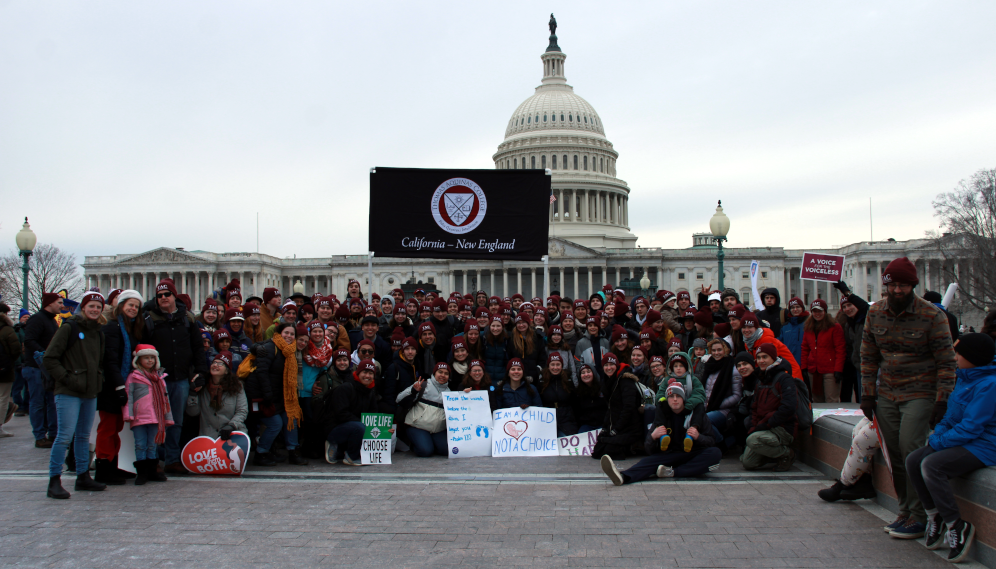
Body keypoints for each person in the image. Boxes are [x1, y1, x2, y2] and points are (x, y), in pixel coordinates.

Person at [860, 257, 956, 539]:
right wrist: (867, 394)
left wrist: (942, 399)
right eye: (893, 285)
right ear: (886, 286)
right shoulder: (875, 312)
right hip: (888, 392)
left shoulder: (932, 315)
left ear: (912, 286)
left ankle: (919, 516)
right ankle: (905, 510)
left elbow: (946, 361)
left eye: (903, 285)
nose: (898, 291)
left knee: (911, 447)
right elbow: (868, 356)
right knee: (893, 452)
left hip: (921, 391)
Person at [905, 333, 995, 561]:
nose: (954, 358)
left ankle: (956, 525)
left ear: (972, 357)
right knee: (914, 460)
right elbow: (951, 417)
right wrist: (938, 434)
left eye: (958, 353)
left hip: (985, 445)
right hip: (964, 439)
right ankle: (934, 516)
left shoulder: (989, 385)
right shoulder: (965, 378)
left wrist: (939, 442)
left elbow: (972, 427)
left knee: (932, 464)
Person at [43, 290, 108, 499]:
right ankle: (54, 480)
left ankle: (83, 476)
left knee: (83, 436)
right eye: (91, 306)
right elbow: (50, 358)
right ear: (83, 307)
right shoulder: (69, 327)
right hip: (69, 391)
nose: (95, 310)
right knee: (64, 436)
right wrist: (67, 378)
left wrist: (98, 380)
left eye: (98, 307)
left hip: (89, 390)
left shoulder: (98, 332)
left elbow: (99, 361)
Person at [600, 380, 721, 485]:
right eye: (671, 396)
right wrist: (653, 437)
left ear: (683, 398)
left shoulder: (696, 415)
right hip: (669, 455)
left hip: (692, 453)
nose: (674, 399)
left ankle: (672, 472)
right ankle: (623, 477)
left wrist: (698, 437)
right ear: (667, 399)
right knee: (647, 462)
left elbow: (711, 441)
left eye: (678, 396)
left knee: (714, 453)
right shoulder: (662, 416)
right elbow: (648, 450)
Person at [93, 289, 144, 485]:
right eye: (130, 305)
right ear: (120, 305)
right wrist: (118, 386)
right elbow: (110, 360)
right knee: (107, 427)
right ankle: (103, 468)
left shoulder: (128, 327)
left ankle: (112, 466)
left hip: (121, 382)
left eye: (136, 306)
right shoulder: (113, 327)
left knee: (116, 426)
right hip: (111, 385)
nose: (133, 309)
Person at [252, 322, 308, 466]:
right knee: (275, 424)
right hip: (267, 396)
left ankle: (293, 451)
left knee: (291, 420)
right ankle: (261, 452)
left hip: (283, 397)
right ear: (279, 333)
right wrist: (267, 395)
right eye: (286, 333)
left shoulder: (290, 351)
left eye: (292, 334)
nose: (289, 336)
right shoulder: (270, 347)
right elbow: (261, 373)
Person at [741, 343, 797, 472]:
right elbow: (754, 408)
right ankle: (772, 455)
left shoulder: (784, 378)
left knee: (752, 440)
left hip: (782, 428)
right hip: (764, 426)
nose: (761, 361)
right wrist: (754, 427)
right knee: (747, 463)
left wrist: (766, 425)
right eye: (758, 357)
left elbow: (788, 407)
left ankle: (786, 454)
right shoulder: (760, 379)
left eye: (764, 357)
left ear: (773, 357)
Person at [123, 344, 174, 485]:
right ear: (138, 360)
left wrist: (167, 417)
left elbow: (165, 399)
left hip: (156, 417)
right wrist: (128, 414)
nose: (150, 360)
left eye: (152, 357)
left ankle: (152, 471)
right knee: (140, 444)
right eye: (146, 358)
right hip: (139, 416)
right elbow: (129, 396)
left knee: (152, 444)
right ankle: (142, 472)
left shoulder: (159, 378)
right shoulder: (133, 377)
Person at [187, 350, 249, 463]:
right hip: (208, 438)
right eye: (214, 362)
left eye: (221, 364)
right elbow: (193, 412)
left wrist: (232, 425)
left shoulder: (237, 387)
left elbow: (242, 410)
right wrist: (193, 394)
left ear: (226, 370)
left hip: (232, 435)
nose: (215, 365)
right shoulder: (203, 387)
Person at [320, 359, 380, 465]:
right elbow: (340, 414)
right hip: (334, 427)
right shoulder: (345, 388)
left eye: (371, 373)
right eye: (365, 372)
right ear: (358, 372)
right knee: (359, 427)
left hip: (354, 426)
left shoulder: (370, 391)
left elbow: (373, 415)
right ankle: (349, 455)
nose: (367, 376)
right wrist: (361, 423)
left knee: (361, 427)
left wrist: (383, 429)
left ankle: (343, 449)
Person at [24, 292, 63, 448]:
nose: (62, 306)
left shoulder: (52, 321)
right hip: (35, 368)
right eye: (59, 303)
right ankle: (40, 436)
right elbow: (29, 340)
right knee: (38, 403)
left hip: (47, 368)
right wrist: (44, 355)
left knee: (51, 402)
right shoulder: (37, 319)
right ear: (50, 303)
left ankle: (53, 434)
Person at [591, 353, 644, 459]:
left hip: (629, 427)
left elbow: (629, 407)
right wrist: (605, 428)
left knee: (610, 452)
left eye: (611, 364)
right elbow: (610, 409)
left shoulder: (625, 380)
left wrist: (616, 429)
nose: (609, 368)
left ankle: (632, 447)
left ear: (617, 365)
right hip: (616, 426)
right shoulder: (609, 381)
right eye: (606, 365)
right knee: (597, 451)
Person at [397, 361, 452, 457]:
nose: (442, 375)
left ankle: (430, 442)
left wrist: (464, 394)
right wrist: (413, 391)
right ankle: (418, 443)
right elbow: (399, 399)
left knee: (447, 450)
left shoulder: (449, 392)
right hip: (418, 426)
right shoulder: (423, 385)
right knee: (425, 451)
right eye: (440, 372)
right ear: (434, 373)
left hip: (437, 430)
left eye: (446, 373)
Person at [700, 337, 742, 451]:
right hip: (709, 406)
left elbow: (737, 395)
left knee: (705, 420)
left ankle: (722, 443)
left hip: (725, 409)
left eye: (719, 350)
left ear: (725, 350)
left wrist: (718, 404)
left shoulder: (732, 369)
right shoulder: (709, 366)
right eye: (714, 350)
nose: (716, 353)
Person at [800, 299, 846, 403]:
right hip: (813, 370)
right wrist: (804, 367)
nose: (817, 314)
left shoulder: (834, 327)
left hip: (830, 369)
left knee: (831, 399)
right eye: (815, 311)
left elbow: (840, 349)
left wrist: (838, 369)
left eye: (820, 311)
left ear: (825, 311)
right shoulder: (808, 327)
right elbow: (805, 348)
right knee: (816, 400)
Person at [836, 287, 870, 403]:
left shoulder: (867, 319)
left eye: (850, 305)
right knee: (862, 400)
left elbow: (867, 308)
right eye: (844, 307)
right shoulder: (850, 324)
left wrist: (846, 291)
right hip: (858, 366)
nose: (847, 309)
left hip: (870, 367)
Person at [538, 352, 577, 436]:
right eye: (552, 364)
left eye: (558, 364)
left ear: (562, 366)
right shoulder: (542, 381)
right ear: (548, 366)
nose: (555, 367)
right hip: (547, 421)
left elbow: (574, 401)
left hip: (567, 420)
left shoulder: (568, 380)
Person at [0, 303, 22, 438]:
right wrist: (9, 362)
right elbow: (16, 350)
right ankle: (0, 427)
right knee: (3, 397)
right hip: (3, 370)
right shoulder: (7, 330)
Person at [509, 314, 545, 382]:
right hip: (516, 376)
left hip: (534, 377)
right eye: (519, 323)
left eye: (523, 322)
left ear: (528, 323)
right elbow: (509, 357)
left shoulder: (537, 337)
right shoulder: (511, 338)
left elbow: (542, 357)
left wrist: (537, 370)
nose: (521, 325)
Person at [572, 364, 606, 432]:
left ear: (593, 373)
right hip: (586, 426)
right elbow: (576, 412)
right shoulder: (577, 393)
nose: (586, 374)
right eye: (583, 373)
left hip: (603, 424)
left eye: (588, 372)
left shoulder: (602, 389)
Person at [778, 297, 808, 369]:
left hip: (805, 364)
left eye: (798, 307)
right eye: (792, 307)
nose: (795, 309)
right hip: (789, 364)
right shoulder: (785, 327)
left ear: (802, 308)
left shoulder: (808, 324)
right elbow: (780, 344)